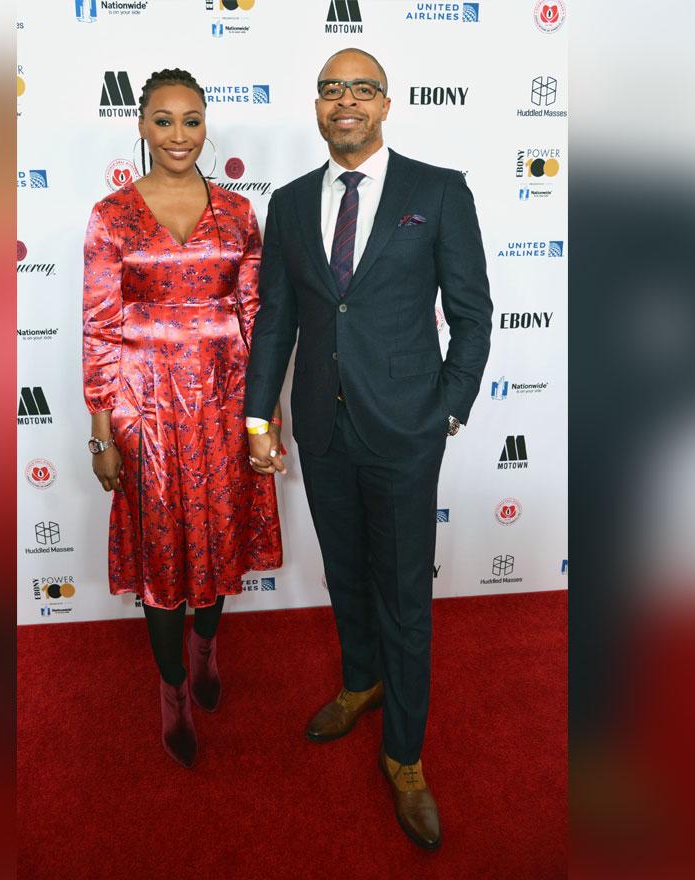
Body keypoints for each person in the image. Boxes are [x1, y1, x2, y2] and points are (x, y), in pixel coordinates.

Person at [244, 48, 492, 849]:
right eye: (329, 89)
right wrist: (258, 418)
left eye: (360, 88)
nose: (343, 101)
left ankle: (406, 755)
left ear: (386, 103)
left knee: (404, 596)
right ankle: (360, 683)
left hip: (406, 429)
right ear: (316, 107)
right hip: (321, 422)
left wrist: (445, 409)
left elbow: (473, 312)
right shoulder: (285, 205)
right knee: (344, 571)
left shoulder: (439, 190)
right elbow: (277, 319)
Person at [82, 68, 283, 768]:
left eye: (191, 120)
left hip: (226, 408)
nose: (178, 134)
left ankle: (206, 653)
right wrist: (101, 433)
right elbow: (100, 327)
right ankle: (173, 696)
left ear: (206, 127)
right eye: (163, 120)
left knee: (219, 546)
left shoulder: (237, 213)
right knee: (162, 563)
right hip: (147, 416)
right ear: (140, 125)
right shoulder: (111, 216)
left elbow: (257, 321)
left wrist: (264, 423)